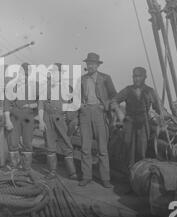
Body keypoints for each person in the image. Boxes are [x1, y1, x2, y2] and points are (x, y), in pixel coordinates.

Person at [78, 52, 117, 188]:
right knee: (85, 147)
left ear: (97, 65)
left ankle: (105, 178)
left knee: (102, 148)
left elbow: (114, 96)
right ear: (86, 65)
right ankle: (86, 176)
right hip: (85, 113)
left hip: (100, 113)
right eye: (88, 64)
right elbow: (76, 96)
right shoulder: (82, 79)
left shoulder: (105, 78)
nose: (90, 66)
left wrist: (104, 105)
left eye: (93, 64)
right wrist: (81, 106)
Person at [111, 67, 161, 169]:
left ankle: (139, 174)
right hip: (129, 123)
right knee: (128, 148)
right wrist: (119, 113)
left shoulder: (150, 91)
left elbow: (159, 108)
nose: (136, 79)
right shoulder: (127, 90)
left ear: (145, 77)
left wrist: (167, 115)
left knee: (141, 150)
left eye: (139, 76)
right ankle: (128, 173)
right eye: (135, 76)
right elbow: (114, 101)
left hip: (144, 124)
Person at [38, 63, 77, 180]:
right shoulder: (45, 87)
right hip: (47, 117)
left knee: (66, 143)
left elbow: (73, 105)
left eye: (56, 72)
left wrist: (70, 118)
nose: (54, 74)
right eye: (52, 72)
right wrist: (41, 120)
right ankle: (52, 171)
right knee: (50, 145)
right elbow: (41, 104)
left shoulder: (68, 87)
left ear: (61, 74)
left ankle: (72, 172)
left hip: (61, 118)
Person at [4, 62, 38, 171]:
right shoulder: (11, 85)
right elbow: (6, 104)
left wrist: (32, 105)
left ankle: (26, 167)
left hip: (28, 117)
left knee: (27, 142)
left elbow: (42, 102)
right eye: (23, 73)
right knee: (13, 142)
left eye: (27, 73)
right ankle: (14, 166)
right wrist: (8, 120)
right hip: (14, 117)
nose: (25, 75)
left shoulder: (35, 86)